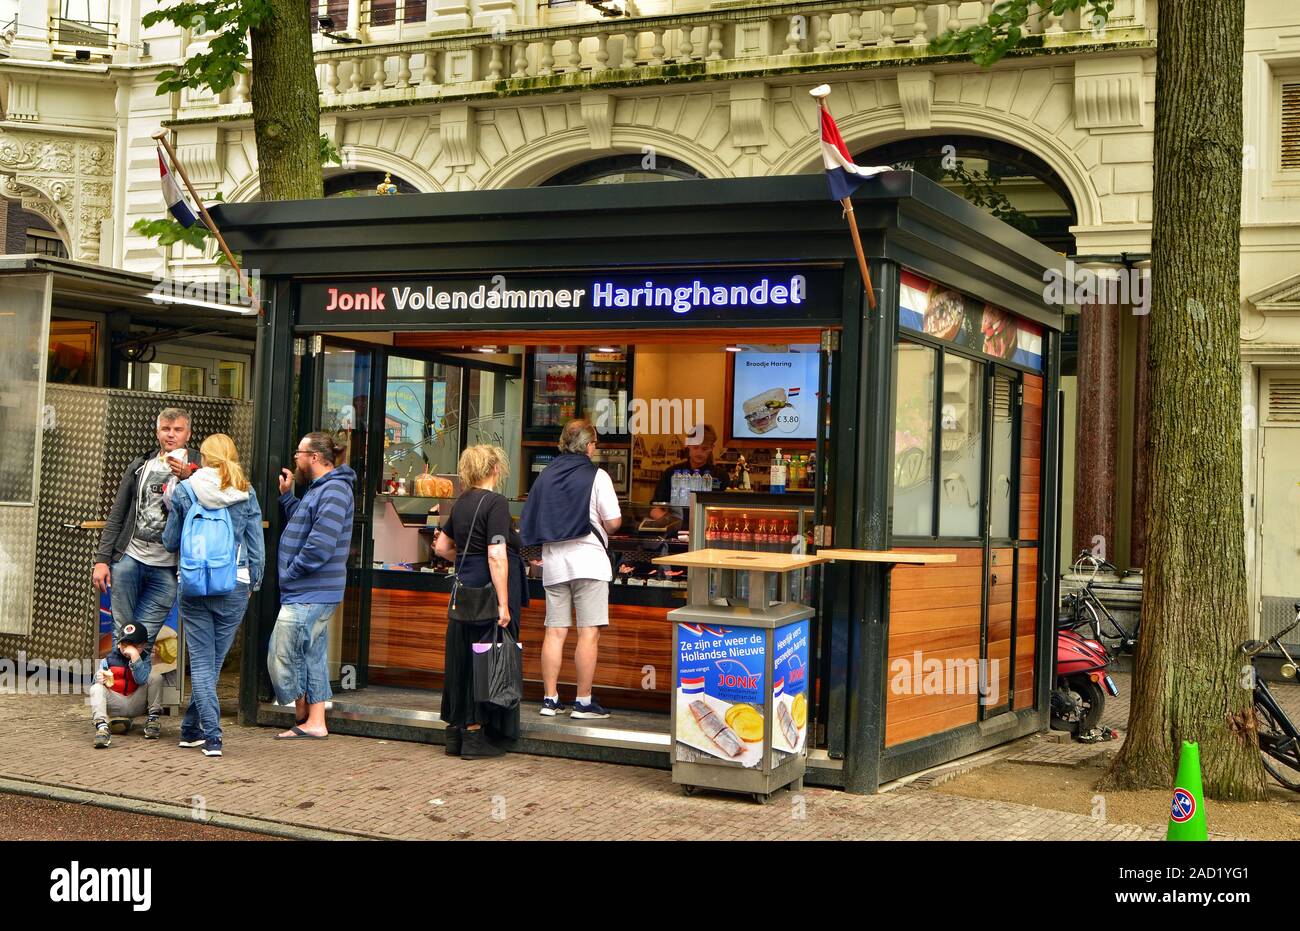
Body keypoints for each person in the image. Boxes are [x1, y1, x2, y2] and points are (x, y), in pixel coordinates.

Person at [162, 434, 265, 758]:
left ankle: (195, 730)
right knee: (212, 663)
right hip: (234, 582)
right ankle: (211, 735)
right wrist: (253, 584)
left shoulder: (186, 490)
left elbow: (170, 541)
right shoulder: (245, 492)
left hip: (194, 583)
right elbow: (256, 546)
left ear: (203, 458)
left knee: (206, 664)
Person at [521, 419, 622, 719]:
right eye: (595, 444)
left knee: (555, 632)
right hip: (589, 562)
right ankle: (583, 702)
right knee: (588, 632)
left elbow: (530, 517)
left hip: (554, 562)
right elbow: (614, 522)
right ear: (589, 445)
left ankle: (550, 700)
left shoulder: (545, 476)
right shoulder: (597, 476)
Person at [433, 445, 526, 759]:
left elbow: (442, 547)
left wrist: (464, 558)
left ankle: (455, 735)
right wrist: (503, 602)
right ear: (496, 469)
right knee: (485, 660)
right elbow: (496, 554)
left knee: (460, 659)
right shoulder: (495, 503)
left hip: (463, 591)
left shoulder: (461, 503)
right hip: (488, 589)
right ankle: (477, 736)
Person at [270, 432, 356, 740]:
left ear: (315, 458)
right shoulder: (321, 489)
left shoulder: (333, 490)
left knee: (281, 654)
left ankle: (302, 712)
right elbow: (304, 522)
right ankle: (314, 720)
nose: (296, 458)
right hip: (309, 590)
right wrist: (286, 497)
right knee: (311, 656)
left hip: (309, 590)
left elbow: (320, 545)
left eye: (299, 453)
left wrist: (292, 572)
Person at [92, 408, 200, 645]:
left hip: (169, 566)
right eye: (166, 429)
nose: (171, 435)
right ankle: (116, 681)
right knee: (122, 633)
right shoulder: (141, 465)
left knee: (144, 638)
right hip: (130, 559)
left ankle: (130, 680)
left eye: (177, 430)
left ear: (188, 434)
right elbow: (117, 514)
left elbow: (212, 504)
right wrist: (102, 560)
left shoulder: (200, 466)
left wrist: (189, 477)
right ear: (157, 432)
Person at [88, 620, 164, 748]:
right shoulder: (108, 659)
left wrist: (135, 657)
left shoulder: (144, 659)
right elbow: (94, 684)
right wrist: (98, 678)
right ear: (118, 644)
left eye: (133, 645)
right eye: (124, 644)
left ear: (143, 645)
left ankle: (153, 720)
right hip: (116, 702)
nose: (127, 649)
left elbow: (141, 679)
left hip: (137, 702)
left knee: (156, 678)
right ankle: (102, 728)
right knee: (96, 688)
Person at [649, 423, 731, 520]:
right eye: (696, 447)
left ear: (712, 448)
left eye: (704, 448)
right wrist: (671, 522)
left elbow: (727, 510)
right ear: (688, 445)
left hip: (709, 528)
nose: (699, 452)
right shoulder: (671, 473)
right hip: (676, 528)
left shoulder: (721, 475)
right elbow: (654, 509)